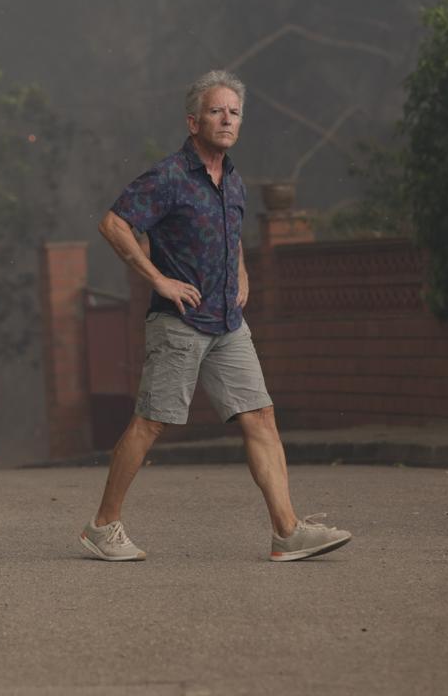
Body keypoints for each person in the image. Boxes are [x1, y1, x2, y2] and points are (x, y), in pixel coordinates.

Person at [79, 70, 352, 563]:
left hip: (229, 325)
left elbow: (231, 236)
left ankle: (287, 532)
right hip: (179, 323)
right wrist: (155, 278)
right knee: (151, 424)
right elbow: (113, 223)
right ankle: (103, 525)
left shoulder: (235, 181)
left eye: (234, 112)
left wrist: (242, 273)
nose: (227, 119)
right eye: (216, 111)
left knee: (261, 416)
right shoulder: (169, 177)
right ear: (193, 121)